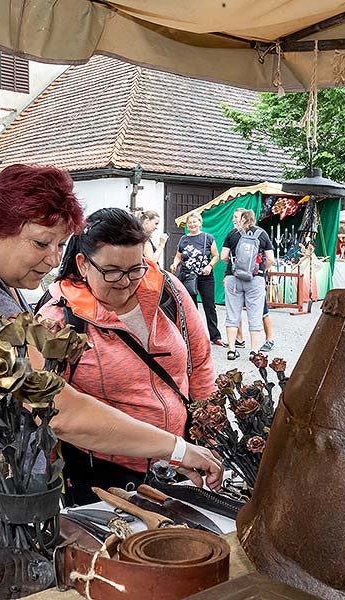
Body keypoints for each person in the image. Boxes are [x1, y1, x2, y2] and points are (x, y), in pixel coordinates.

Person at [0, 166, 221, 538]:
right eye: (41, 243)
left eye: (59, 245)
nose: (54, 259)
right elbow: (61, 411)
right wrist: (177, 449)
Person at [38, 208, 219, 504]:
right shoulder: (60, 317)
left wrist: (207, 433)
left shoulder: (167, 291)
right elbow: (56, 411)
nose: (125, 281)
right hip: (104, 472)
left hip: (182, 457)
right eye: (112, 271)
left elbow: (199, 362)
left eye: (136, 268)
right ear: (83, 264)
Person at [221, 208, 275, 359]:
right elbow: (270, 259)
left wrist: (234, 265)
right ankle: (254, 351)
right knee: (255, 314)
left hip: (234, 278)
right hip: (255, 279)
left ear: (242, 219)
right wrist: (261, 269)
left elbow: (223, 256)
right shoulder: (262, 234)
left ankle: (232, 349)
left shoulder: (232, 234)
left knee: (232, 314)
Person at [170, 211, 224, 346]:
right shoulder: (183, 239)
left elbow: (215, 255)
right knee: (190, 307)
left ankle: (215, 336)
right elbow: (178, 256)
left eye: (195, 222)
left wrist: (210, 266)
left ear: (200, 223)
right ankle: (193, 336)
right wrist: (175, 264)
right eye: (190, 223)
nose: (192, 225)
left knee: (209, 306)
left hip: (205, 277)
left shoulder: (208, 238)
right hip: (187, 276)